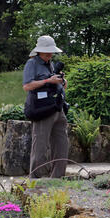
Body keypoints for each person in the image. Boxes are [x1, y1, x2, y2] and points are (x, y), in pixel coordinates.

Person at [22, 36, 69, 178]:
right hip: (42, 110)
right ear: (39, 51)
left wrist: (61, 81)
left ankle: (57, 178)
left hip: (57, 108)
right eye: (46, 52)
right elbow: (27, 86)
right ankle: (35, 180)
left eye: (51, 52)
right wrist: (48, 80)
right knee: (40, 147)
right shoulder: (31, 64)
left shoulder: (51, 64)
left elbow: (54, 84)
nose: (50, 54)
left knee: (62, 145)